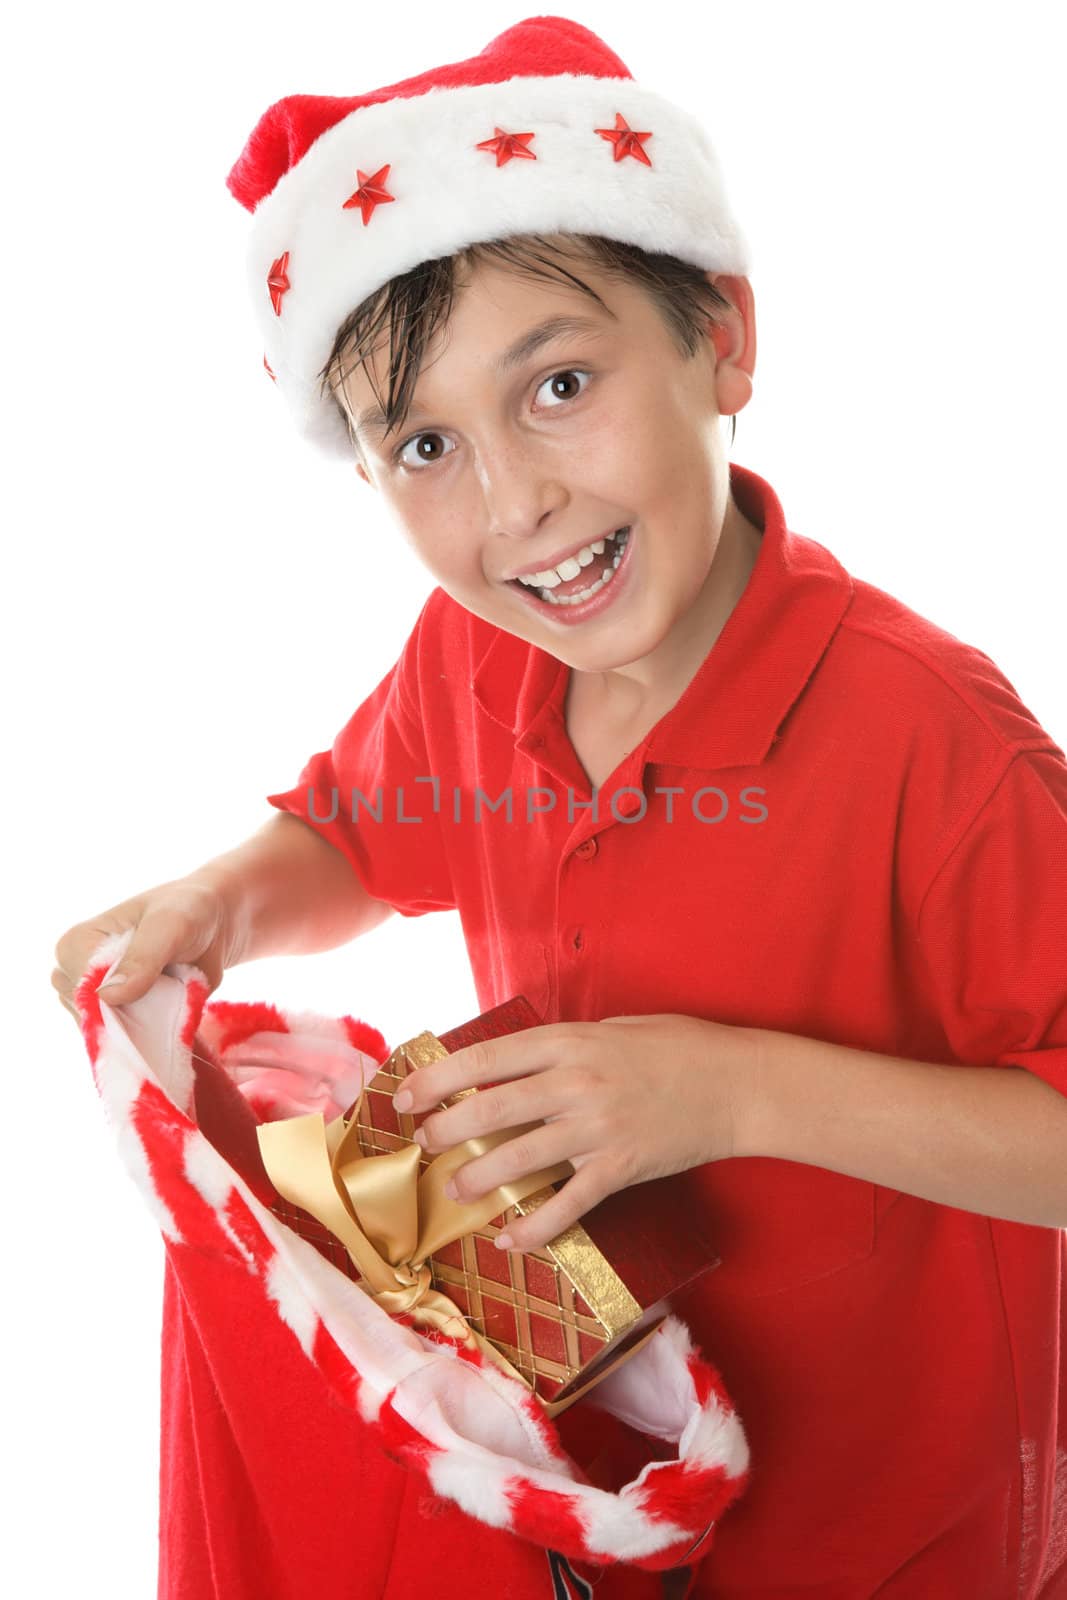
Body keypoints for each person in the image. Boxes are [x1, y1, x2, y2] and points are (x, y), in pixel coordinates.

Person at [53, 14, 1067, 1598]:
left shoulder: (932, 740)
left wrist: (722, 1096)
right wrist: (220, 904)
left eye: (562, 385)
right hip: (617, 1481)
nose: (515, 505)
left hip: (899, 1530)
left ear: (722, 340)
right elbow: (359, 834)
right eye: (428, 445)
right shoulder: (479, 653)